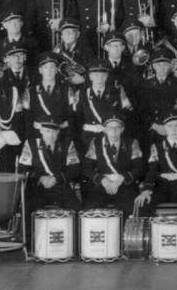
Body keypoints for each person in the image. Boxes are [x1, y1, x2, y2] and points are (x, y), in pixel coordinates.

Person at [17, 114, 82, 244]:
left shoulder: (67, 145)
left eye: (53, 132)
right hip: (38, 187)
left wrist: (56, 179)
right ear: (41, 130)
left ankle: (75, 245)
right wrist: (41, 178)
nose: (50, 135)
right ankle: (31, 246)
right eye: (47, 131)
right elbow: (22, 169)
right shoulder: (30, 144)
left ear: (59, 132)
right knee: (28, 207)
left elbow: (75, 169)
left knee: (76, 208)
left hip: (60, 186)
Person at [81, 113, 144, 219]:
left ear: (122, 129)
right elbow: (87, 168)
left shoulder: (132, 142)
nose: (114, 132)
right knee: (91, 211)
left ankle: (123, 235)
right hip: (102, 186)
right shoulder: (96, 143)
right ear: (105, 129)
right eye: (110, 128)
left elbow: (139, 167)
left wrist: (121, 179)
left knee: (131, 211)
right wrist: (102, 180)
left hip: (124, 186)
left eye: (117, 128)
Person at [75, 58, 133, 154]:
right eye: (96, 75)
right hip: (89, 138)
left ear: (107, 76)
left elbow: (127, 115)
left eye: (103, 75)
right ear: (90, 76)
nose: (100, 78)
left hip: (113, 137)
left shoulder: (118, 92)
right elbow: (77, 119)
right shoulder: (81, 94)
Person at [21, 51, 77, 142]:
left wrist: (69, 138)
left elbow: (72, 117)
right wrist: (30, 140)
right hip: (38, 135)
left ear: (56, 70)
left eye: (52, 67)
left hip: (61, 135)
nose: (49, 71)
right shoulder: (30, 92)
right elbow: (27, 120)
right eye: (45, 67)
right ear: (40, 70)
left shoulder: (67, 90)